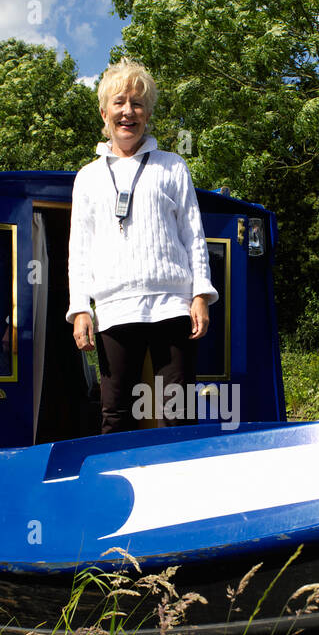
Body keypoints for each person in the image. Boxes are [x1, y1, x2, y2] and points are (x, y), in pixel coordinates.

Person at [67, 57, 217, 434]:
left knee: (177, 411)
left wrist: (200, 295)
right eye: (119, 103)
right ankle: (113, 491)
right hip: (114, 310)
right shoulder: (86, 178)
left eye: (137, 104)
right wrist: (80, 309)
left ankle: (181, 486)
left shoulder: (173, 166)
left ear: (147, 113)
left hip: (172, 305)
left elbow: (193, 236)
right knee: (116, 414)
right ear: (104, 112)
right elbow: (79, 249)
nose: (127, 112)